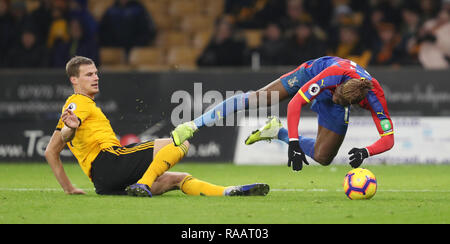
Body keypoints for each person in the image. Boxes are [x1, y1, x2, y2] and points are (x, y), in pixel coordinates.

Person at [44, 56, 270, 197]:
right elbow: (65, 134)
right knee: (180, 143)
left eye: (96, 73)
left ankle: (228, 192)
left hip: (104, 183)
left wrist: (69, 188)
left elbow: (51, 150)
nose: (96, 77)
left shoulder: (76, 107)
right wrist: (70, 129)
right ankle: (142, 184)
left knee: (178, 178)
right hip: (109, 161)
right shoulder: (79, 102)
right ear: (74, 80)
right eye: (89, 74)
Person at [171, 56, 394, 170]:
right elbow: (295, 103)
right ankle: (192, 125)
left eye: (340, 100)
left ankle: (277, 132)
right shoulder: (335, 75)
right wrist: (295, 144)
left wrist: (366, 151)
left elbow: (388, 139)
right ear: (342, 85)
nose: (335, 98)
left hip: (337, 93)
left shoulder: (376, 99)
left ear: (356, 103)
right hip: (314, 74)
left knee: (323, 157)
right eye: (337, 94)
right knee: (262, 98)